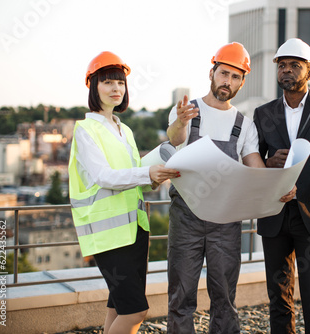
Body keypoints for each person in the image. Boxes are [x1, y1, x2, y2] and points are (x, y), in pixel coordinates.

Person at [166, 42, 295, 334]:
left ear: (242, 82)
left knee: (224, 296)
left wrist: (279, 189)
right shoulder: (187, 111)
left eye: (236, 77)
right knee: (181, 295)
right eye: (224, 73)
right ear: (212, 72)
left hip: (225, 220)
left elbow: (254, 169)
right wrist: (180, 122)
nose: (228, 81)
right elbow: (174, 139)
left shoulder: (244, 125)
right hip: (186, 217)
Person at [68, 51, 179, 334]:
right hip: (108, 236)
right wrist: (146, 173)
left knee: (117, 306)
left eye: (120, 83)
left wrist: (154, 177)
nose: (116, 88)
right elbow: (104, 177)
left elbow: (132, 178)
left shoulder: (124, 130)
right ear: (93, 86)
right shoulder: (85, 130)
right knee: (136, 310)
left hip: (135, 229)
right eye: (108, 82)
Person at [253, 38, 310, 334]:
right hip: (274, 214)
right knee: (277, 296)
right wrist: (268, 164)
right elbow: (253, 163)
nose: (287, 71)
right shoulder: (263, 113)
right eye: (282, 65)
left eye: (295, 65)